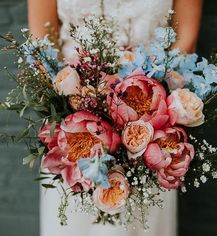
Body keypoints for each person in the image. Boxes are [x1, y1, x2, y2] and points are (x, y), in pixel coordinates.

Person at [27, 1, 203, 236]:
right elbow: (41, 43)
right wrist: (76, 101)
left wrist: (142, 113)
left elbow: (186, 41)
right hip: (74, 133)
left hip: (150, 128)